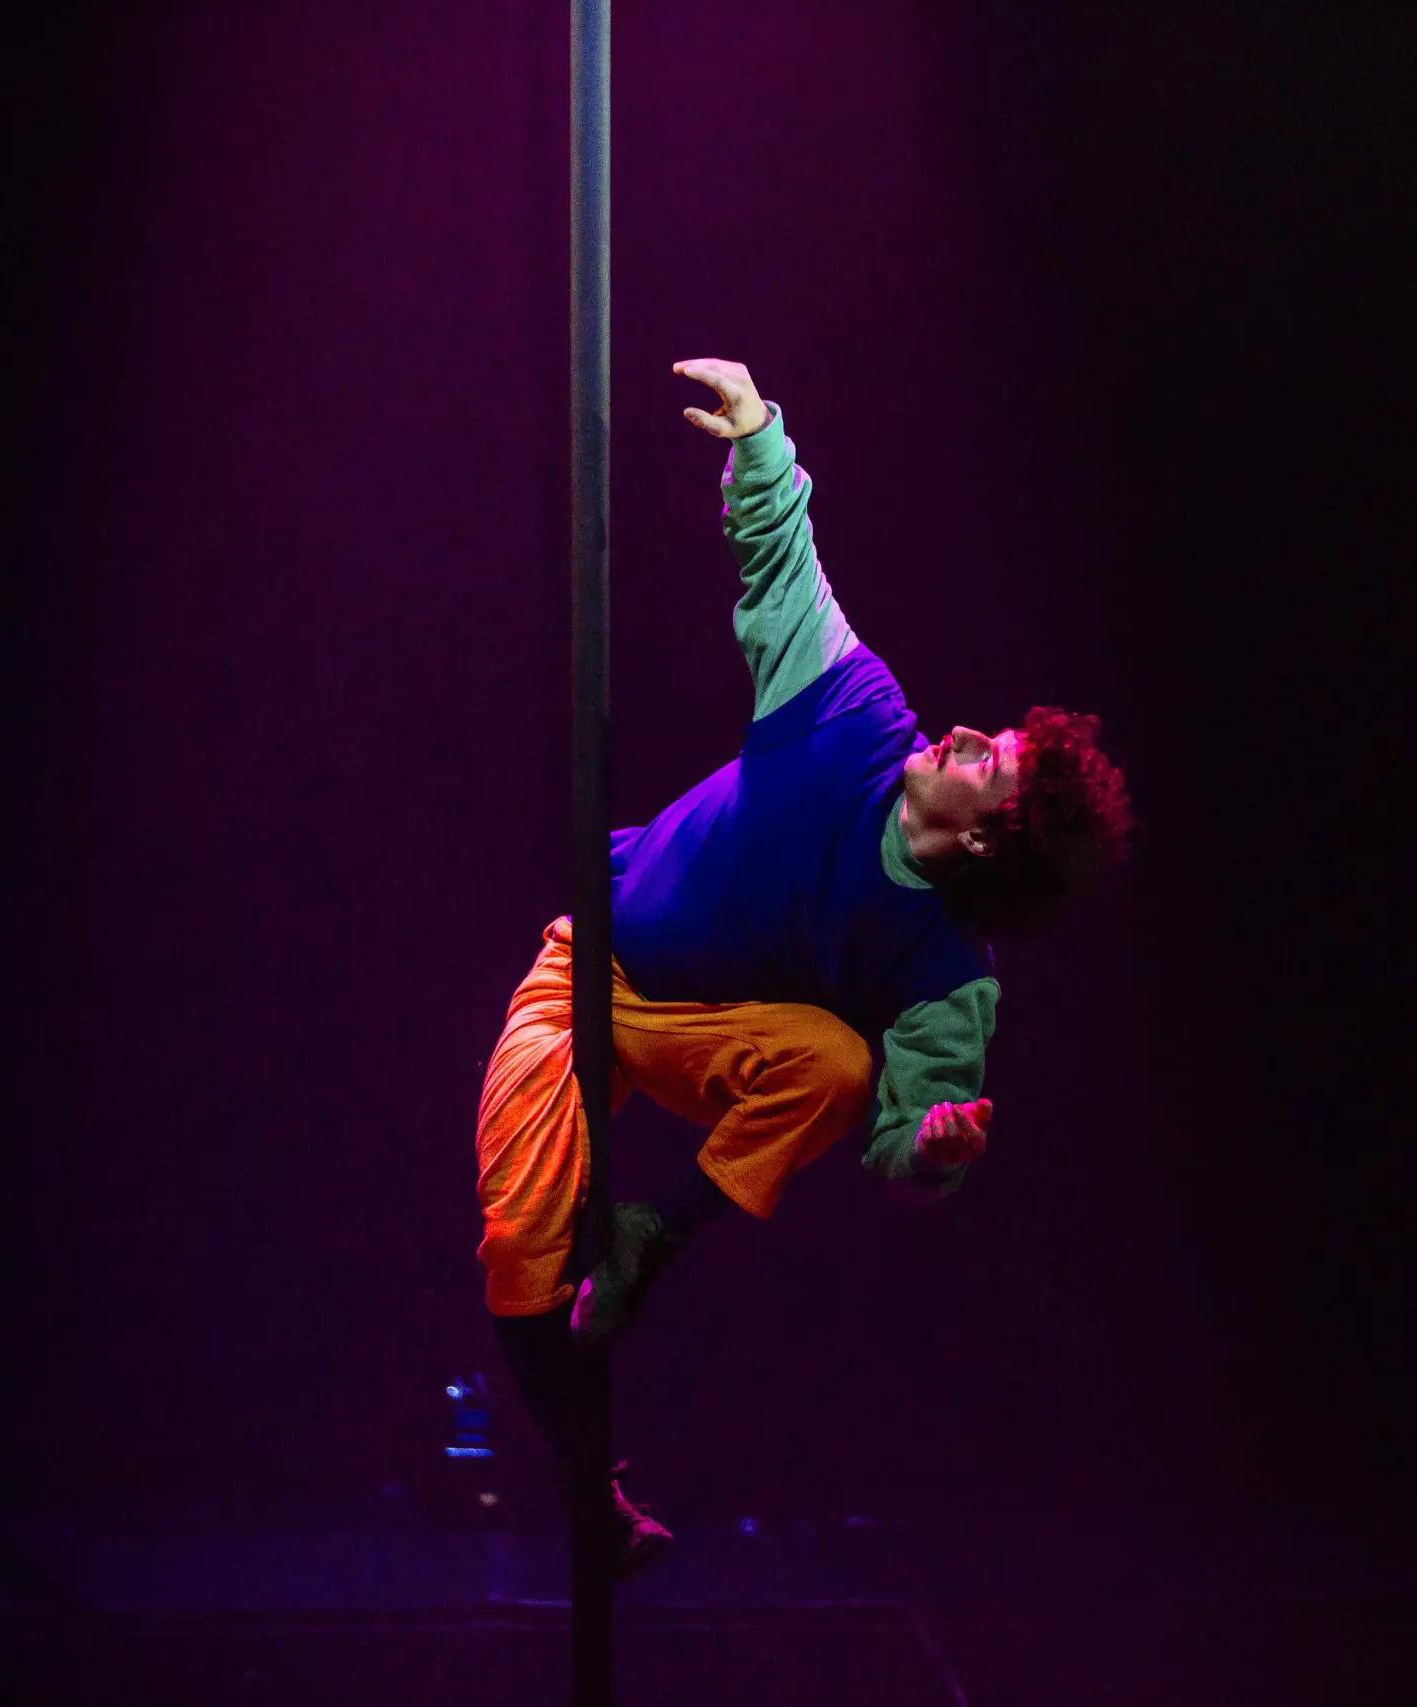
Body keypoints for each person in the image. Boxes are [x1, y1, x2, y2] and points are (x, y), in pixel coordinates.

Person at [473, 358, 1134, 1576]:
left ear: (987, 841)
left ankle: (651, 1242)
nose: (966, 734)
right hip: (587, 971)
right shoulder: (853, 713)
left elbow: (909, 1130)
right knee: (520, 1239)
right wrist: (760, 436)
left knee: (834, 1064)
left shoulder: (947, 966)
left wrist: (932, 1149)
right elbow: (788, 567)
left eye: (990, 762)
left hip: (698, 1036)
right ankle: (583, 1485)